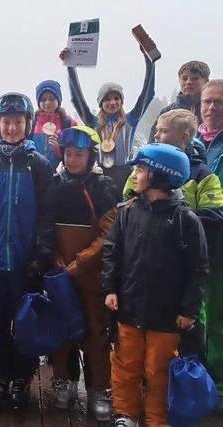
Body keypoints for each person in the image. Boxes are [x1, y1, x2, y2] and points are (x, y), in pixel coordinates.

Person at [103, 143, 209, 427]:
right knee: (125, 365)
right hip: (129, 307)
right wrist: (110, 288)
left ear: (161, 176)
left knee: (159, 370)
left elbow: (198, 269)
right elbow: (112, 251)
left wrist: (188, 310)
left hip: (166, 316)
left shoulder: (186, 220)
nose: (134, 175)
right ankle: (126, 415)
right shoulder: (127, 211)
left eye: (140, 169)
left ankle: (156, 419)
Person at [0, 93, 54, 410]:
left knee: (24, 323)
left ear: (28, 125)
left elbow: (47, 214)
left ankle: (21, 377)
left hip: (24, 262)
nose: (11, 127)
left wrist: (41, 255)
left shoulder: (38, 164)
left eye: (17, 122)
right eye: (5, 122)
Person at [49, 126, 119, 421]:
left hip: (92, 273)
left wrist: (84, 259)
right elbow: (44, 223)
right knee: (61, 328)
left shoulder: (104, 186)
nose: (73, 159)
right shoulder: (53, 183)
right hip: (59, 270)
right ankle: (64, 378)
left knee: (95, 331)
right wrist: (52, 256)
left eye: (79, 153)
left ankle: (99, 387)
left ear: (91, 155)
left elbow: (110, 229)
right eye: (68, 153)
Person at [60, 45, 155, 190]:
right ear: (101, 103)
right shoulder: (93, 122)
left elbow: (147, 95)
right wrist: (70, 67)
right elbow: (77, 99)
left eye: (116, 98)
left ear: (121, 101)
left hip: (125, 173)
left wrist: (150, 62)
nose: (112, 102)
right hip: (99, 173)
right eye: (107, 99)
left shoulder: (131, 120)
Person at [197, 79, 223, 408]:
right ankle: (194, 377)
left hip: (218, 244)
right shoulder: (190, 141)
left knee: (216, 317)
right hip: (189, 246)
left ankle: (216, 386)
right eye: (207, 102)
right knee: (193, 314)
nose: (212, 108)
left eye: (219, 102)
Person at [148, 61, 210, 143]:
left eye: (195, 78)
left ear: (206, 82)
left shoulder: (212, 111)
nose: (189, 82)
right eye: (184, 78)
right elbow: (152, 142)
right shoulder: (168, 112)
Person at [32, 80, 78, 169]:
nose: (47, 102)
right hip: (35, 175)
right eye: (43, 99)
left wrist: (59, 148)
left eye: (52, 98)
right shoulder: (31, 123)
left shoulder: (69, 123)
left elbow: (76, 154)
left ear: (58, 100)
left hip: (60, 177)